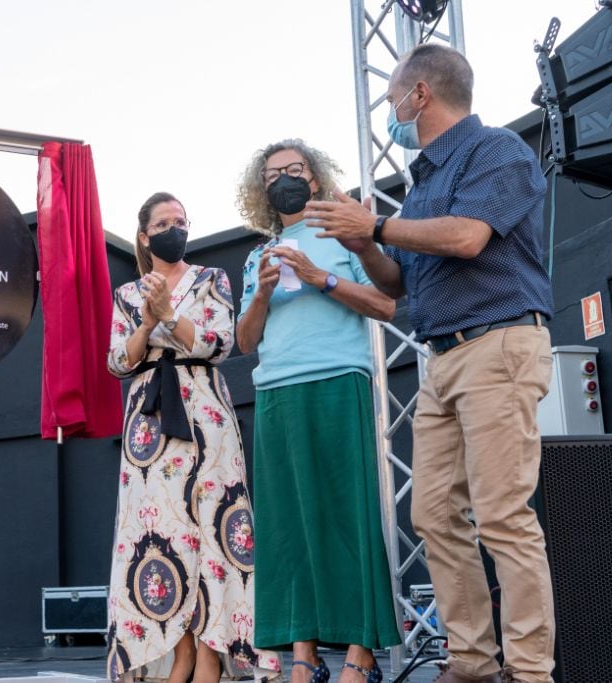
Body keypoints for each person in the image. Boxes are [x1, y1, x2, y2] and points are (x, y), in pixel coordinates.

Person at [306, 44, 555, 683]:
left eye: (392, 100)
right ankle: (472, 663)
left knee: (503, 514)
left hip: (498, 345)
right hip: (441, 358)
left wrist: (379, 225)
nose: (390, 113)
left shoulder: (495, 150)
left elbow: (469, 236)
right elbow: (394, 287)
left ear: (421, 95)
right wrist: (362, 243)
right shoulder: (420, 189)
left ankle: (530, 672)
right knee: (434, 515)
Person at [235, 139, 400, 683]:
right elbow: (244, 341)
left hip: (338, 378)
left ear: (315, 177)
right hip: (278, 392)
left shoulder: (342, 233)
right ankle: (302, 656)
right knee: (287, 527)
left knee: (347, 515)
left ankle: (360, 652)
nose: (284, 178)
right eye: (274, 173)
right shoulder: (258, 255)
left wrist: (318, 277)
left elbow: (387, 303)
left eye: (294, 169)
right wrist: (260, 294)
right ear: (262, 190)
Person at [106, 192, 280, 683]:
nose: (174, 228)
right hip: (149, 424)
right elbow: (118, 361)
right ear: (144, 236)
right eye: (163, 222)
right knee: (161, 534)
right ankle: (178, 653)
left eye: (180, 220)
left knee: (213, 530)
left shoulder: (212, 280)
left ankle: (210, 654)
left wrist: (168, 316)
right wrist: (147, 319)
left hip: (205, 414)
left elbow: (218, 343)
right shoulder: (126, 294)